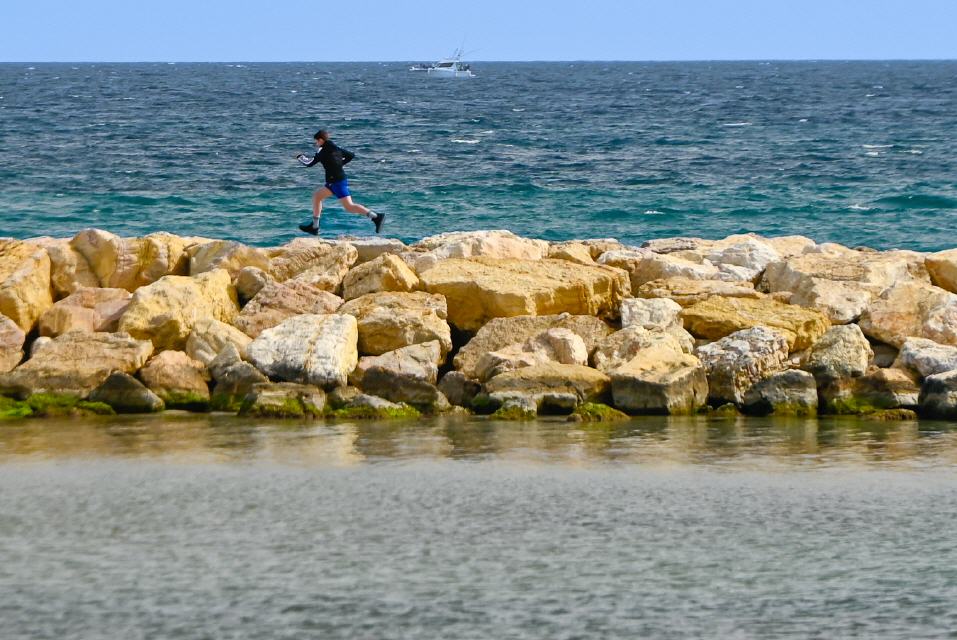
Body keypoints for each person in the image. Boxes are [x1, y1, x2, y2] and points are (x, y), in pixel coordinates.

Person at [295, 130, 385, 235]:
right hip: (333, 182)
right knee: (317, 196)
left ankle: (376, 217)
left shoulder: (323, 151)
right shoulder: (336, 148)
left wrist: (299, 156)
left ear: (321, 140)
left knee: (349, 207)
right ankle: (315, 226)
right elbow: (351, 155)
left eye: (316, 141)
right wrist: (338, 164)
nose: (316, 144)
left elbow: (309, 163)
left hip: (337, 182)